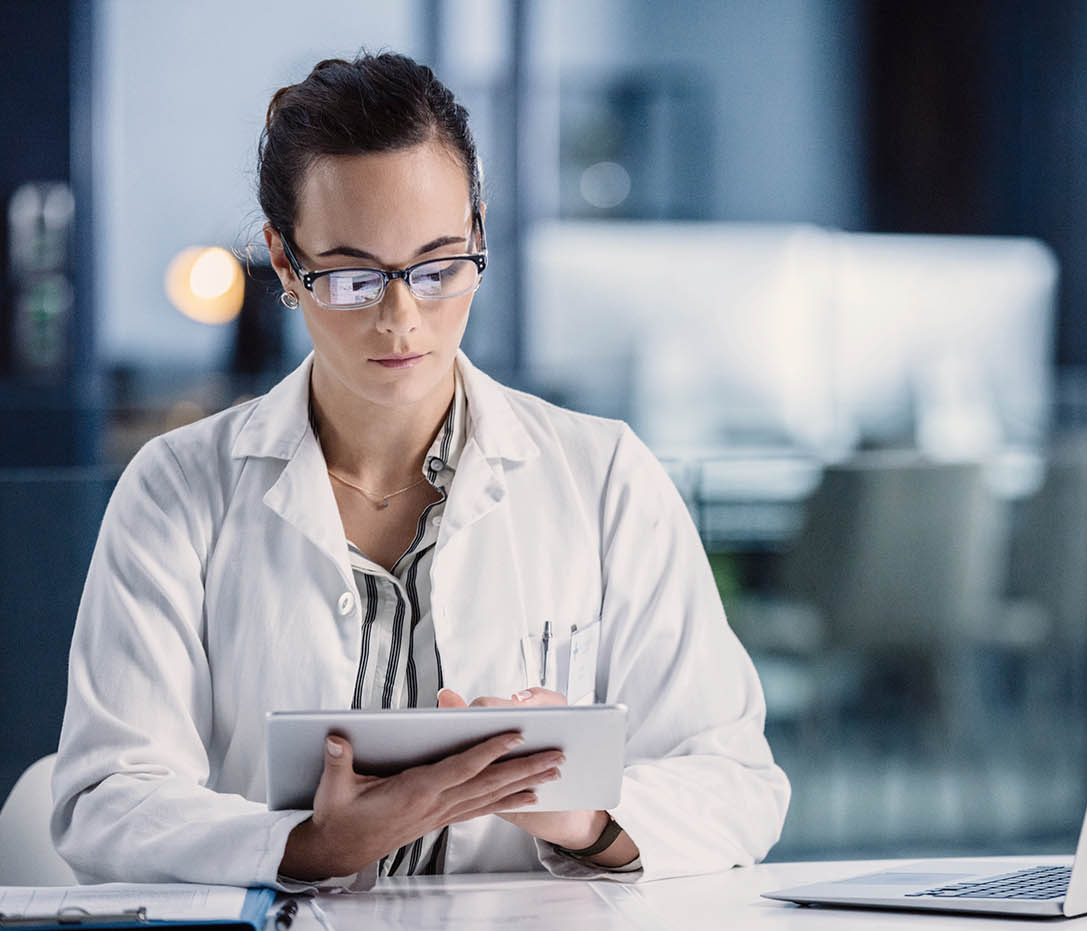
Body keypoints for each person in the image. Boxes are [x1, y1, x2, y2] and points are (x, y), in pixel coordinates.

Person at [50, 51, 789, 888]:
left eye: (438, 267)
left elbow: (736, 781)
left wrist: (585, 816)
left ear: (479, 232)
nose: (403, 318)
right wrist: (308, 847)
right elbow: (106, 797)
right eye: (356, 277)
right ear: (286, 265)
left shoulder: (605, 474)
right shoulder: (178, 487)